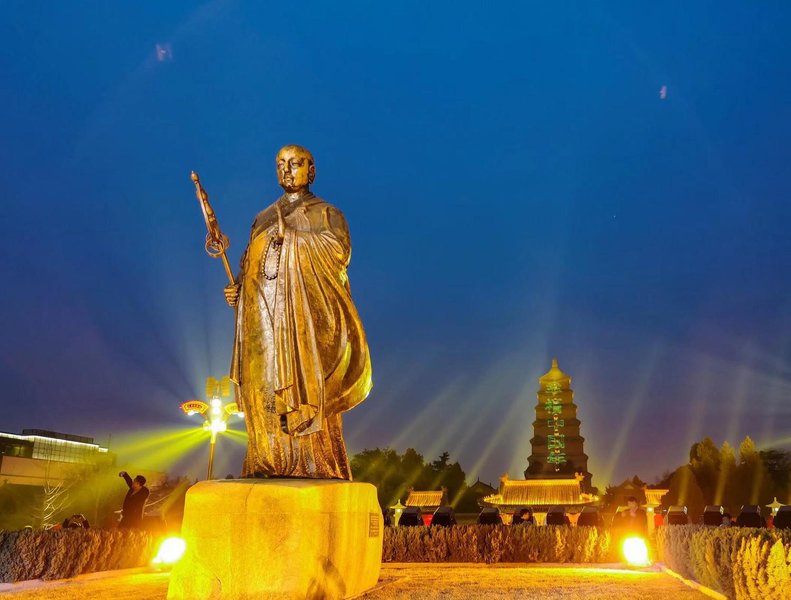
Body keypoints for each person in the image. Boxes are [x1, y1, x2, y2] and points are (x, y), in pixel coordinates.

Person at [223, 145, 372, 479]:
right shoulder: (263, 217)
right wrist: (239, 290)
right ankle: (265, 461)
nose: (286, 170)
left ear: (311, 170)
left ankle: (310, 464)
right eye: (281, 164)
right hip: (261, 320)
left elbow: (338, 253)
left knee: (299, 391)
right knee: (262, 388)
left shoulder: (326, 213)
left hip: (299, 319)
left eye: (294, 164)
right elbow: (250, 266)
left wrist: (290, 238)